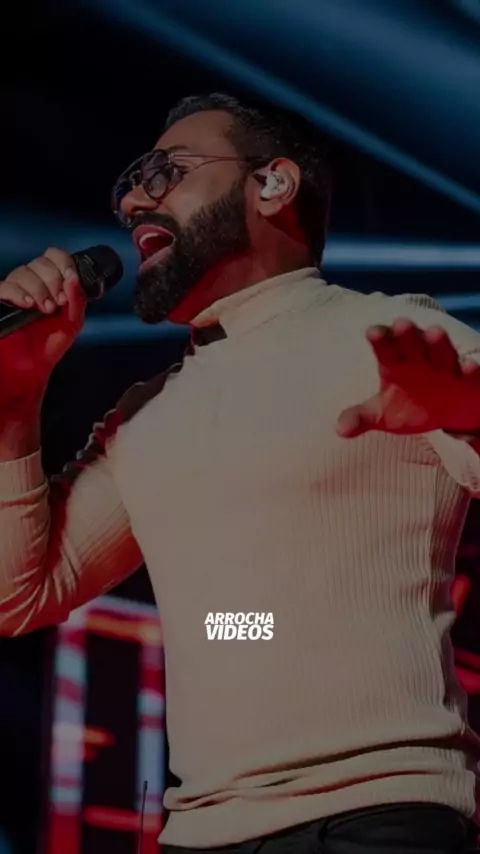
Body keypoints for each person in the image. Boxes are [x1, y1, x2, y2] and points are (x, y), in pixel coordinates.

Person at [0, 93, 480, 854]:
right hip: (199, 829)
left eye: (166, 172)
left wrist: (466, 410)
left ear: (272, 184)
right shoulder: (145, 415)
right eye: (130, 184)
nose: (134, 200)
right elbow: (17, 597)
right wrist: (16, 403)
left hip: (379, 813)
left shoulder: (393, 334)